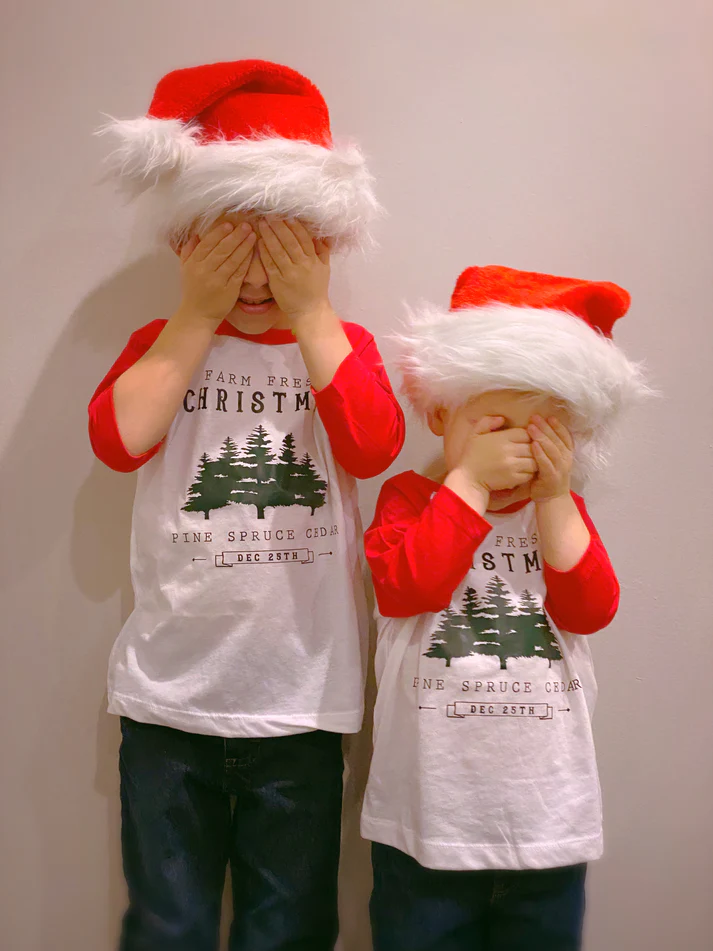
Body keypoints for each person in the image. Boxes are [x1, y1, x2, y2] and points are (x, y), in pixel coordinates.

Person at [89, 59, 404, 951]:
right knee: (168, 923)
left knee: (288, 925)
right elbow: (120, 441)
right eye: (229, 245)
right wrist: (195, 313)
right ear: (183, 240)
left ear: (327, 242)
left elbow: (373, 446)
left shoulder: (342, 347)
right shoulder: (163, 342)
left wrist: (312, 315)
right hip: (166, 702)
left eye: (284, 249)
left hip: (301, 703)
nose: (254, 275)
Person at [361, 265, 649, 951]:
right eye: (496, 425)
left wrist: (553, 497)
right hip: (426, 825)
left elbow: (589, 609)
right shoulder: (409, 500)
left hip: (546, 825)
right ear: (440, 414)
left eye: (543, 432)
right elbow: (408, 586)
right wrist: (464, 483)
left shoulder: (561, 512)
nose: (517, 449)